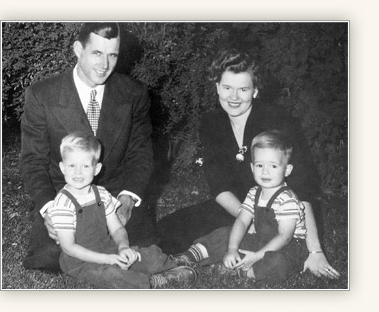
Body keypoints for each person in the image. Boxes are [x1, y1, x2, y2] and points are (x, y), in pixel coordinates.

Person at [157, 48, 340, 279]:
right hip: (238, 205)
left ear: (255, 91)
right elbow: (218, 184)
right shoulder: (212, 123)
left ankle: (221, 265)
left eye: (243, 89)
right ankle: (174, 263)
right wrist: (247, 219)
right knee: (169, 230)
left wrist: (316, 250)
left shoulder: (276, 119)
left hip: (281, 213)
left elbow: (302, 188)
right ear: (217, 88)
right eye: (227, 88)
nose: (234, 97)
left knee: (271, 252)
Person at [20, 22, 156, 272]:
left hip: (113, 197)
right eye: (96, 53)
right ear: (78, 49)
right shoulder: (42, 95)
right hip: (65, 197)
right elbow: (33, 161)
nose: (105, 65)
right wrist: (50, 209)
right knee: (50, 259)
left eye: (112, 55)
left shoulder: (134, 93)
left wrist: (126, 200)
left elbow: (141, 155)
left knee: (144, 249)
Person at [47, 133, 196, 288]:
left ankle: (170, 263)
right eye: (72, 166)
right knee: (110, 275)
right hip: (80, 261)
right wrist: (108, 259)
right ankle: (153, 283)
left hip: (107, 247)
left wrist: (123, 247)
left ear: (96, 169)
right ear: (62, 168)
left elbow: (117, 228)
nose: (78, 172)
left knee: (145, 254)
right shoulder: (63, 203)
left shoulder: (101, 194)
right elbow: (69, 247)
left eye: (85, 166)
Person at [172, 130, 313, 283]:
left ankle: (243, 273)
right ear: (252, 168)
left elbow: (284, 237)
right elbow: (242, 221)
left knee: (278, 262)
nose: (265, 171)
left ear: (287, 170)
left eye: (273, 166)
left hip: (287, 247)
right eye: (260, 165)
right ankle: (188, 257)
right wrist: (233, 248)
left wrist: (257, 256)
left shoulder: (288, 200)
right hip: (260, 239)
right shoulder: (254, 193)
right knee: (225, 232)